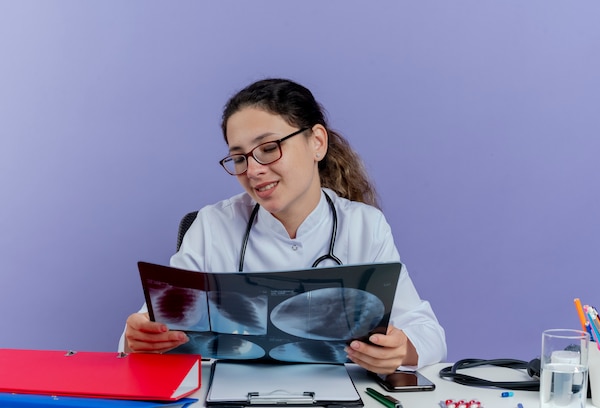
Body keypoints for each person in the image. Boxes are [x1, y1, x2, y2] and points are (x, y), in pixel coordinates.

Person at [121, 78, 446, 373]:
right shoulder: (212, 226)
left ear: (317, 142)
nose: (253, 170)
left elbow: (427, 330)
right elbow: (149, 325)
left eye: (269, 148)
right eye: (239, 158)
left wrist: (400, 349)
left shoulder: (364, 226)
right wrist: (140, 337)